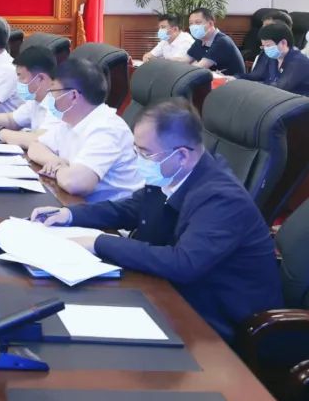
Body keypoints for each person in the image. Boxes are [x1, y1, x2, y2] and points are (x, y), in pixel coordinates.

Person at [31, 100, 282, 342]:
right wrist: (70, 215)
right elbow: (132, 208)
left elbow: (183, 264)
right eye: (136, 150)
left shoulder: (222, 198)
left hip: (217, 321)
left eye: (145, 153)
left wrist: (98, 242)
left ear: (181, 155)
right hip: (173, 293)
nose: (138, 159)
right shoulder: (172, 173)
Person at [26, 58, 143, 202]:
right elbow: (35, 146)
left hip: (111, 214)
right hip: (79, 204)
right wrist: (55, 161)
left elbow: (76, 183)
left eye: (53, 91)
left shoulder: (107, 128)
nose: (49, 97)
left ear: (73, 96)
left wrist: (57, 169)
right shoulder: (70, 120)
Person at [0, 46, 60, 149]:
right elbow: (11, 120)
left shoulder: (59, 102)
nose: (18, 81)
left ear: (40, 78)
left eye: (21, 76)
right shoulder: (35, 100)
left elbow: (39, 140)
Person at [239, 22, 309, 95]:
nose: (266, 49)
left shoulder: (300, 62)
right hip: (275, 98)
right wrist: (236, 78)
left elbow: (280, 87)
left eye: (268, 45)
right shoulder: (272, 56)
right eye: (263, 46)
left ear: (283, 43)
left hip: (298, 100)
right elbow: (256, 75)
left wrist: (251, 87)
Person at [186, 7, 245, 76]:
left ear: (210, 23)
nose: (193, 26)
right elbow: (185, 60)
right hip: (214, 79)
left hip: (233, 81)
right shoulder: (200, 40)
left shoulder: (222, 41)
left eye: (198, 22)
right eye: (191, 23)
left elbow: (200, 67)